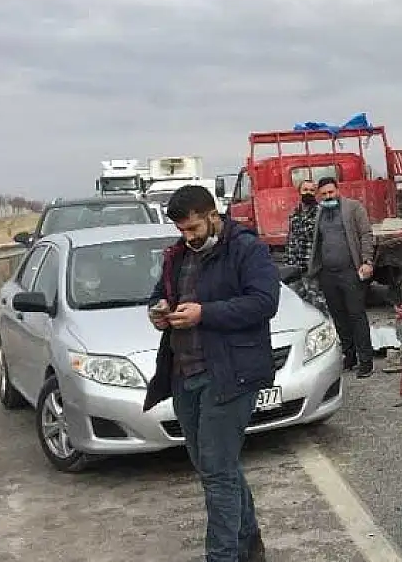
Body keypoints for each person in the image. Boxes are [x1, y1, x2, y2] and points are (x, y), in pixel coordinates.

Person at [143, 185, 279, 562]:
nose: (188, 238)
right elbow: (158, 294)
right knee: (216, 466)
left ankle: (222, 556)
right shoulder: (176, 256)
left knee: (217, 473)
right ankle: (249, 543)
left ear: (213, 215)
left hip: (229, 375)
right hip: (184, 375)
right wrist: (158, 311)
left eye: (193, 229)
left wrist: (205, 313)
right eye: (182, 231)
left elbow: (265, 303)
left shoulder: (246, 249)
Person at [285, 176, 377, 377]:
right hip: (328, 274)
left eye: (331, 192)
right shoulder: (320, 213)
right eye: (324, 194)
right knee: (338, 317)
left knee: (356, 316)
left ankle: (366, 362)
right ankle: (349, 356)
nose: (328, 196)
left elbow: (366, 235)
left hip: (351, 272)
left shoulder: (353, 208)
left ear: (338, 190)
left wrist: (367, 262)